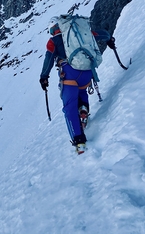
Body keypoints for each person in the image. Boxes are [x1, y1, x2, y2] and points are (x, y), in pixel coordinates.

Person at [39, 16, 115, 154]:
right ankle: (83, 109)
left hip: (69, 74)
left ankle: (79, 143)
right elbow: (101, 34)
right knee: (81, 91)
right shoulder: (78, 33)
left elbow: (49, 58)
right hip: (86, 73)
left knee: (69, 108)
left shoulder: (53, 41)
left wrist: (44, 77)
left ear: (53, 29)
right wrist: (109, 39)